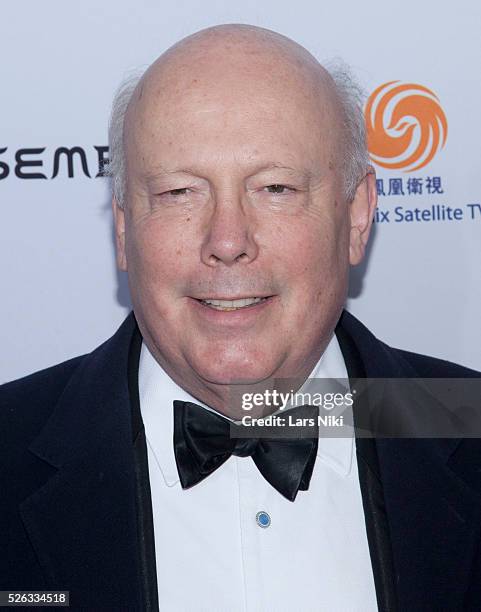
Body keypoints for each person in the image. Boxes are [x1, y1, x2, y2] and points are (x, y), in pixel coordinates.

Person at [1, 24, 480, 612]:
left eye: (275, 188)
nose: (227, 241)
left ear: (356, 216)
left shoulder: (467, 423)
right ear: (123, 228)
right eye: (180, 192)